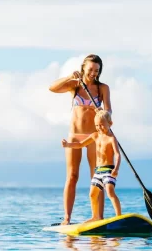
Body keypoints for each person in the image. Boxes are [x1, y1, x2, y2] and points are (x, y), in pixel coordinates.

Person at [49, 54, 112, 225]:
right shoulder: (75, 85)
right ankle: (67, 219)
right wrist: (70, 76)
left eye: (97, 70)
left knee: (96, 177)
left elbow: (109, 110)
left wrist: (104, 115)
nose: (93, 73)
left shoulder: (103, 88)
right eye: (90, 69)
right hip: (74, 135)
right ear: (83, 68)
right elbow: (52, 88)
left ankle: (98, 217)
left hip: (95, 137)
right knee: (72, 176)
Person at [61, 110, 122, 222]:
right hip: (98, 172)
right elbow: (80, 144)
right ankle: (96, 216)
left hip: (109, 170)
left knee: (110, 191)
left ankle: (119, 216)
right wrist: (68, 145)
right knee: (92, 194)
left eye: (102, 125)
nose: (99, 128)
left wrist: (116, 169)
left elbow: (118, 155)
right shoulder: (95, 136)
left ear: (110, 124)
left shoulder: (112, 139)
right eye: (97, 125)